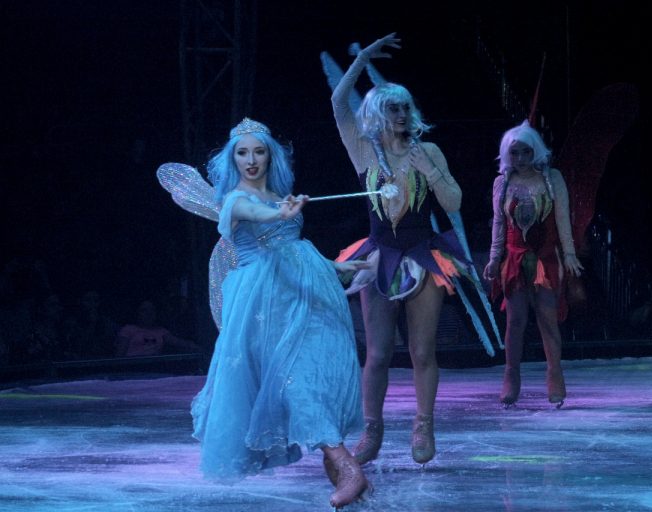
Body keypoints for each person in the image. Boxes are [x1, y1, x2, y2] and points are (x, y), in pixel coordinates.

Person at [165, 118, 369, 509]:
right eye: (242, 153)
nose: (251, 160)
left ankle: (343, 468)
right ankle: (346, 467)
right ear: (232, 160)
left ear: (270, 156)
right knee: (290, 382)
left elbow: (291, 246)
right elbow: (255, 215)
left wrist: (336, 266)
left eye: (258, 151)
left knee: (312, 375)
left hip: (305, 294)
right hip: (264, 305)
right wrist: (277, 214)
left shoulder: (280, 194)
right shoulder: (234, 200)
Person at [332, 33, 468, 466]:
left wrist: (431, 169)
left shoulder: (429, 150)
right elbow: (338, 103)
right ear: (376, 112)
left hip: (423, 254)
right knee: (377, 353)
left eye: (406, 107)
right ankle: (372, 428)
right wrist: (362, 60)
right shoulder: (363, 151)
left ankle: (423, 425)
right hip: (380, 257)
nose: (402, 114)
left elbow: (454, 203)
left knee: (422, 351)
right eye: (393, 107)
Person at [483, 120, 583, 408]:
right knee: (515, 320)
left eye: (526, 152)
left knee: (547, 318)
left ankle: (555, 374)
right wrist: (494, 258)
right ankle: (511, 374)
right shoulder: (502, 183)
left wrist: (570, 254)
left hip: (545, 258)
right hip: (514, 259)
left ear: (536, 151)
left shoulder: (552, 178)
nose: (521, 158)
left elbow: (563, 218)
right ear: (507, 154)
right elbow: (498, 224)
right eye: (515, 153)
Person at [114, 299, 200, 358]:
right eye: (144, 310)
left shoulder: (161, 331)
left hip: (155, 368)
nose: (149, 313)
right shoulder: (128, 329)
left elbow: (179, 342)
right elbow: (119, 355)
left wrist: (196, 347)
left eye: (152, 310)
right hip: (131, 370)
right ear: (137, 313)